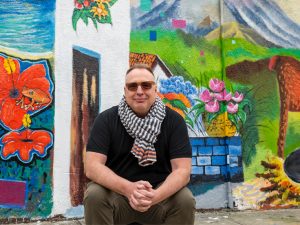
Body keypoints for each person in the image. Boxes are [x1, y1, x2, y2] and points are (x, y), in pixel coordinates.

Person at [84, 64, 195, 225]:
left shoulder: (174, 121)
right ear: (125, 90)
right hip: (118, 197)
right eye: (132, 86)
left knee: (185, 199)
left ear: (155, 89)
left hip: (159, 197)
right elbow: (92, 167)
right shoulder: (106, 120)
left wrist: (154, 196)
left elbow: (182, 171)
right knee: (94, 194)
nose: (139, 91)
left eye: (146, 85)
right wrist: (129, 189)